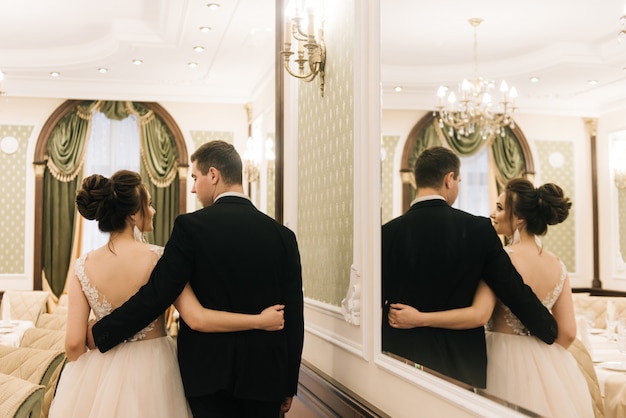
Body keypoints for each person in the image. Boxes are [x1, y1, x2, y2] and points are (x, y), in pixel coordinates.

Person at [89, 141, 305, 418]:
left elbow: (156, 295)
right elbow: (294, 315)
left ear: (213, 175)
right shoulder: (283, 237)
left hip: (206, 375)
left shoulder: (189, 227)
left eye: (195, 177)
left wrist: (101, 332)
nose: (193, 187)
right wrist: (288, 384)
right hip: (265, 377)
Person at [388, 178, 593, 417]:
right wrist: (542, 361)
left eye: (499, 207)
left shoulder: (500, 258)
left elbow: (479, 314)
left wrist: (419, 318)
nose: (492, 213)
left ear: (519, 218)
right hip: (547, 365)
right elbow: (567, 332)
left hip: (502, 363)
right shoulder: (558, 264)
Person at [381, 146, 558, 388]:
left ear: (416, 179)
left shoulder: (387, 233)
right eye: (459, 180)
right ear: (449, 179)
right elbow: (512, 288)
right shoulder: (478, 230)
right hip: (459, 366)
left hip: (400, 361)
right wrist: (548, 328)